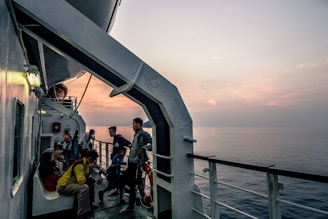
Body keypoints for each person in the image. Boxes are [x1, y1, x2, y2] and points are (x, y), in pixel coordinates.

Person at [119, 117, 152, 214]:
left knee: (132, 186)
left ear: (138, 124)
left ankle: (131, 206)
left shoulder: (144, 134)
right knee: (123, 180)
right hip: (131, 163)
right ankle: (134, 198)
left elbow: (153, 143)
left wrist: (144, 148)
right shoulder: (136, 135)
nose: (133, 126)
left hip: (136, 165)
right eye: (133, 124)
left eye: (134, 124)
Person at [56, 150, 99, 219]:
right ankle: (81, 214)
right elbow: (81, 181)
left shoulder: (86, 163)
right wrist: (90, 169)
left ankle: (90, 203)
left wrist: (94, 179)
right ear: (90, 159)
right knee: (84, 188)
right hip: (63, 186)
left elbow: (87, 176)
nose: (95, 162)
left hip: (70, 184)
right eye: (95, 160)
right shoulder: (79, 165)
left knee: (91, 182)